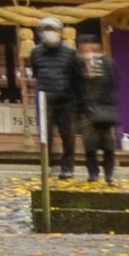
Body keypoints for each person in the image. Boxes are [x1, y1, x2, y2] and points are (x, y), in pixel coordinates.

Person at [24, 22, 79, 178]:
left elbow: (75, 75)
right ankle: (45, 165)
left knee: (67, 134)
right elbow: (36, 72)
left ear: (60, 32)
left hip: (66, 98)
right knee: (44, 134)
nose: (50, 33)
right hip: (44, 98)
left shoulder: (70, 53)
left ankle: (67, 167)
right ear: (40, 33)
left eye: (53, 30)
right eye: (46, 30)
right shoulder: (35, 52)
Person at [72, 31, 120, 182]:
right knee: (90, 145)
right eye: (83, 48)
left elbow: (114, 83)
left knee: (108, 145)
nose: (87, 51)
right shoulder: (77, 65)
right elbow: (74, 86)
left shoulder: (109, 64)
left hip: (105, 108)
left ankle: (109, 174)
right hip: (87, 110)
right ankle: (93, 173)